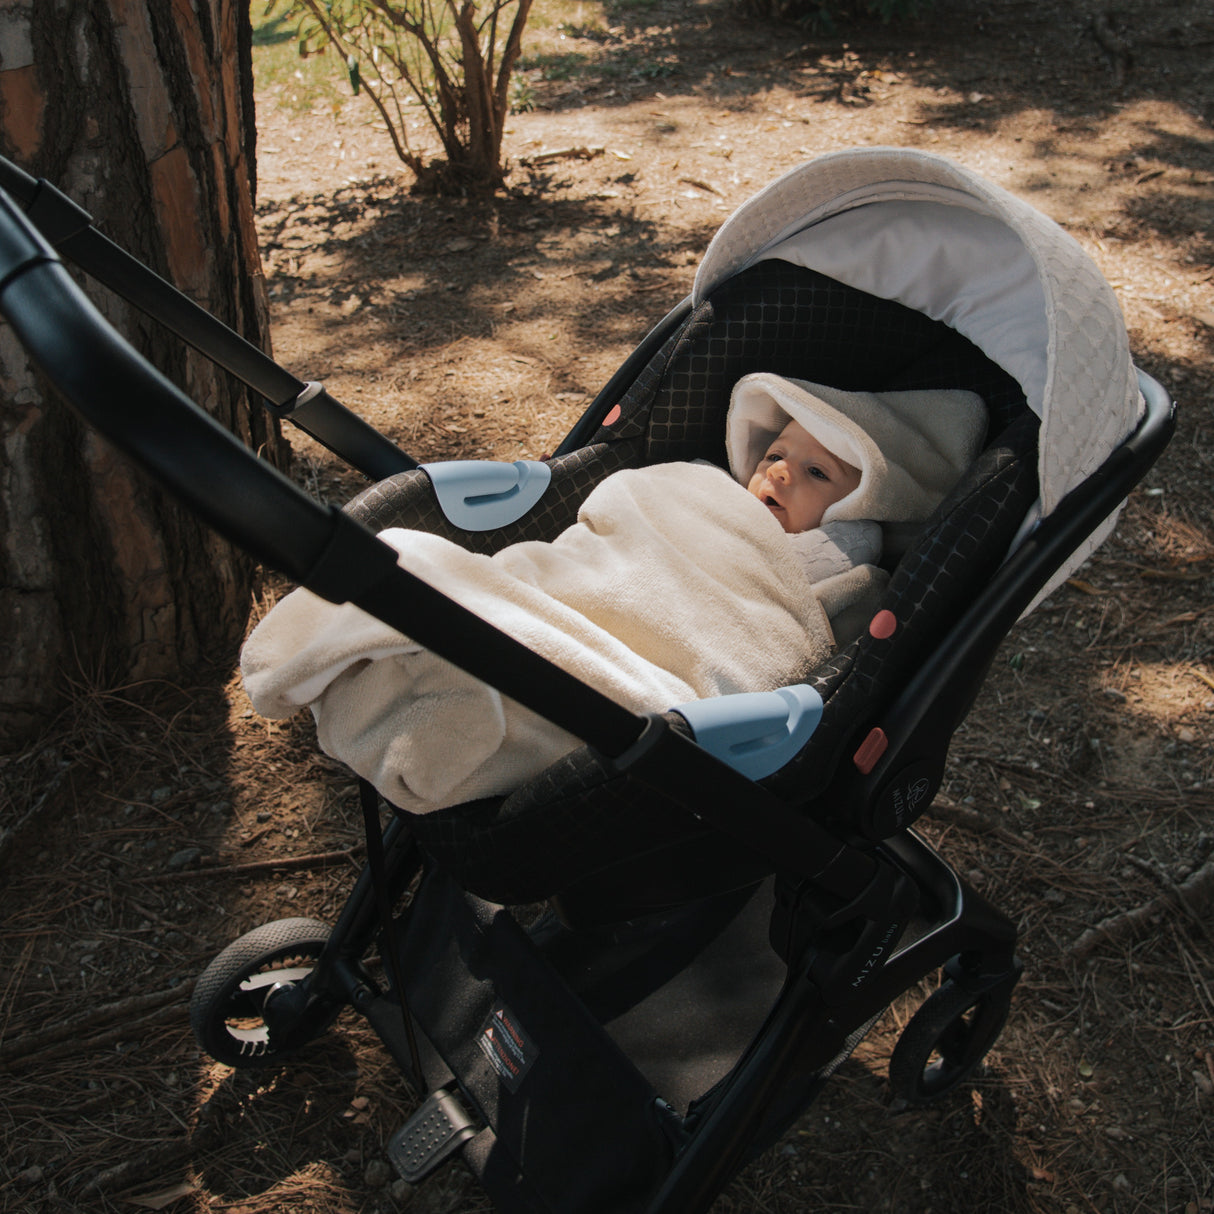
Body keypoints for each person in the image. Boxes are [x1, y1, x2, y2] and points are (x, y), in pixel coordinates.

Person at [242, 374, 987, 813]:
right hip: (583, 593)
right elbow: (626, 525)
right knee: (413, 561)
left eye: (817, 475)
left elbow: (800, 645)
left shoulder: (844, 574)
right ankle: (446, 645)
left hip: (656, 678)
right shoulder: (699, 491)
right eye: (778, 454)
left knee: (500, 654)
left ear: (867, 509)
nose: (779, 473)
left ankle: (447, 688)